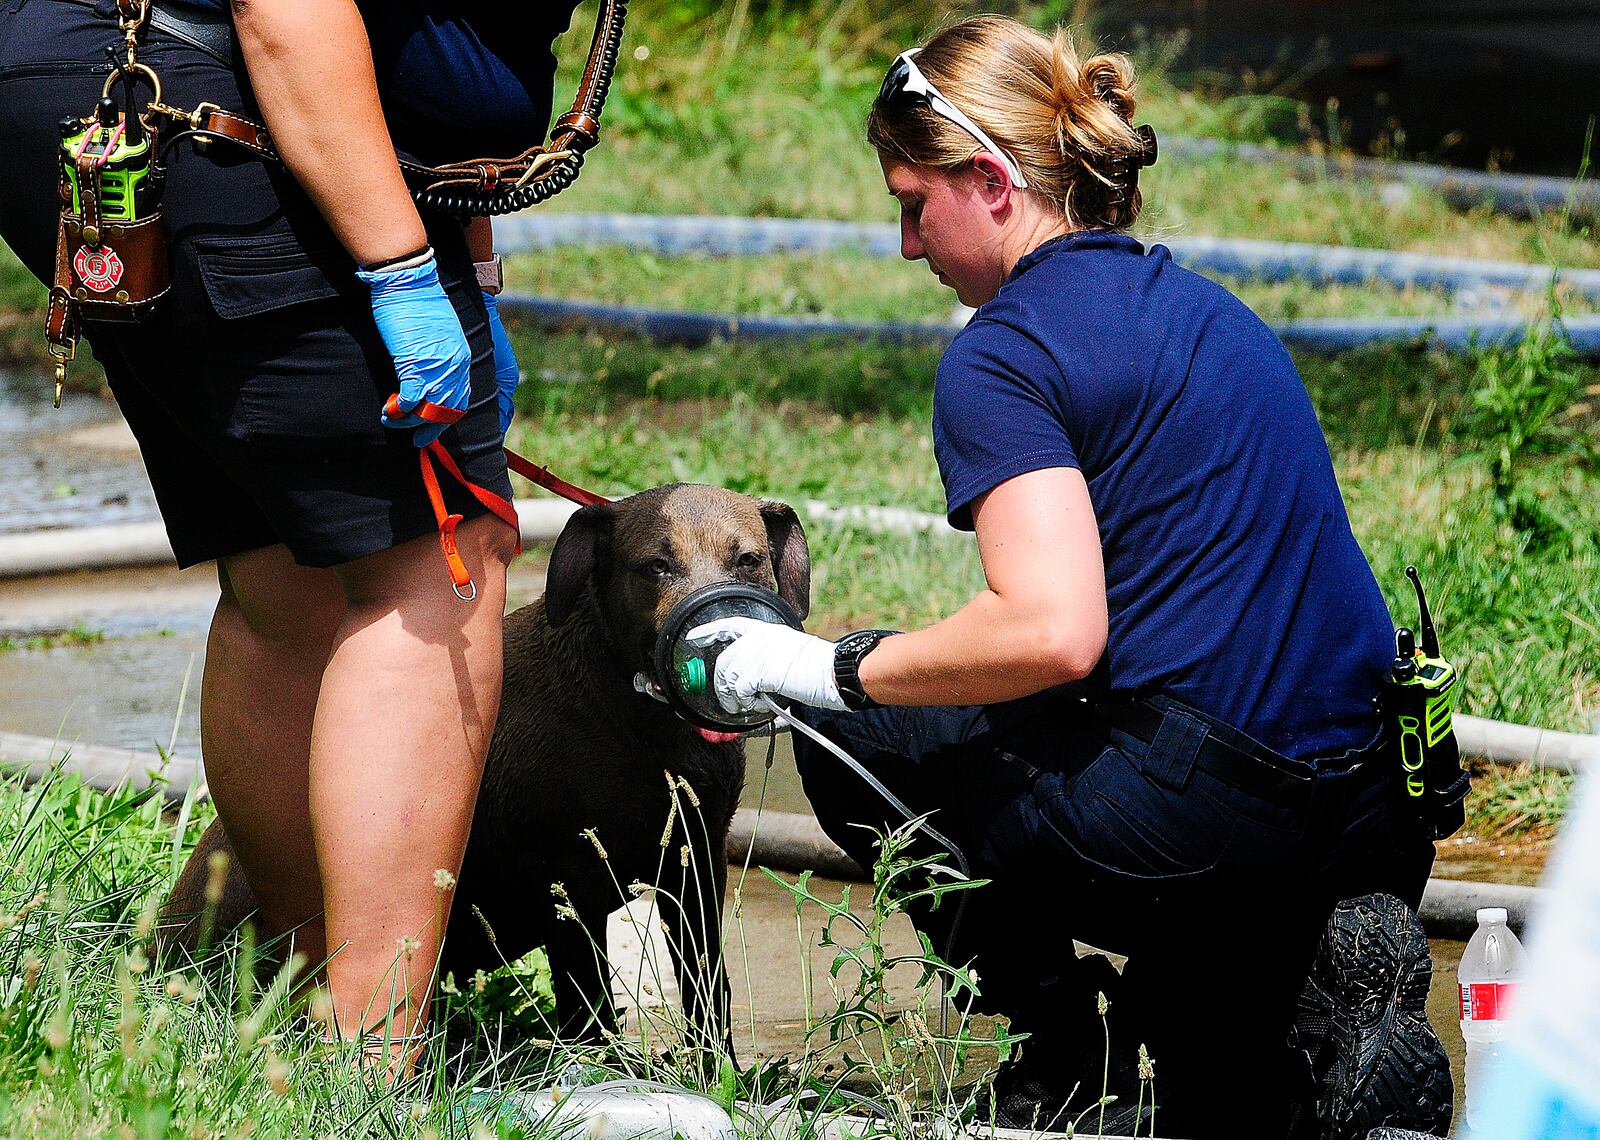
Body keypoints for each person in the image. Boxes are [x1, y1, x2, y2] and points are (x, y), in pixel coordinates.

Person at [689, 15, 1445, 1137]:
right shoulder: (1207, 307)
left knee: (852, 734)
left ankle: (1061, 1051)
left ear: (991, 183)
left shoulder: (1002, 354)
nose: (907, 245)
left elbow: (1050, 634)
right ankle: (1301, 1001)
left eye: (912, 203)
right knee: (1221, 1092)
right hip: (1380, 804)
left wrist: (817, 666)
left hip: (1203, 821)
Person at [0, 0, 580, 1065]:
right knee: (430, 565)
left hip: (100, 105)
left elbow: (439, 74)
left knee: (287, 570)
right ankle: (371, 1049)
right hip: (209, 107)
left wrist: (470, 269)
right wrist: (403, 270)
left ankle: (295, 979)